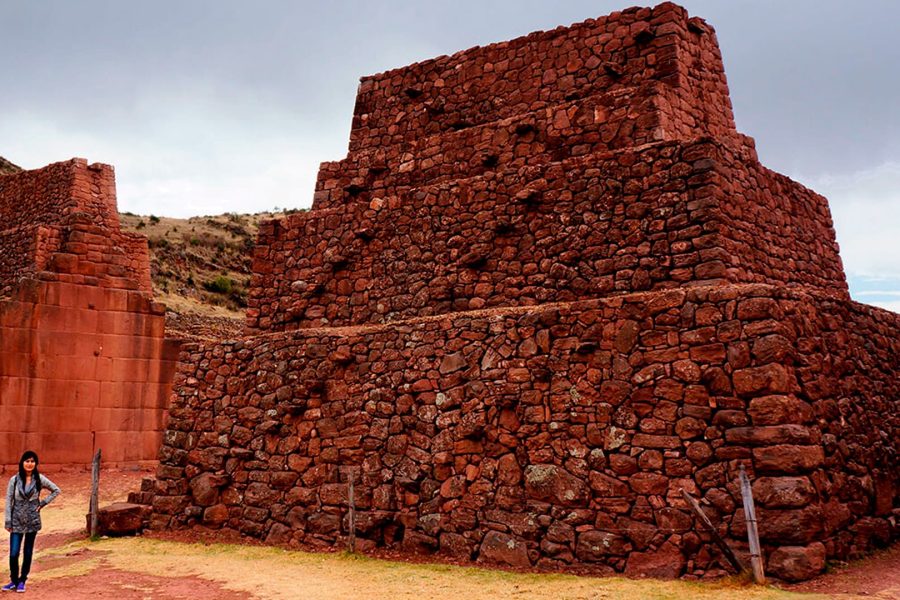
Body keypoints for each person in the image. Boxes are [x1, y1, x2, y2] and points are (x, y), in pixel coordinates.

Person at [3, 451, 60, 593]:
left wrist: (43, 503)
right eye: (27, 461)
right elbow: (9, 500)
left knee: (27, 552)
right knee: (14, 553)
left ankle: (22, 580)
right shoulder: (14, 480)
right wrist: (8, 521)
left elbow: (56, 490)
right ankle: (14, 580)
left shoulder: (39, 479)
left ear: (35, 464)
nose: (29, 464)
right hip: (16, 520)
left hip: (32, 521)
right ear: (22, 463)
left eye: (32, 461)